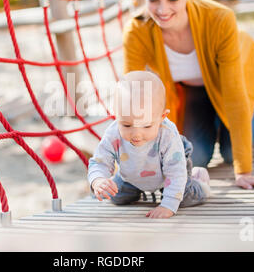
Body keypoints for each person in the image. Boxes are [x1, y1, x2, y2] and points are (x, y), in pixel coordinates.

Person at [123, 0, 254, 190]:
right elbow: (133, 98)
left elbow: (234, 93)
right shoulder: (137, 30)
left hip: (235, 80)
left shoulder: (220, 18)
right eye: (153, 0)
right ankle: (215, 120)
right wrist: (127, 168)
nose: (163, 10)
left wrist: (243, 172)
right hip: (191, 89)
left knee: (230, 154)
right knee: (194, 157)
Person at [88, 71, 211, 218]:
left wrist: (167, 205)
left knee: (183, 197)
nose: (136, 134)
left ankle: (200, 182)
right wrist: (98, 180)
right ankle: (125, 188)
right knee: (117, 197)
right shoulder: (113, 133)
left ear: (162, 117)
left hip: (168, 172)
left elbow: (175, 172)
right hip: (131, 175)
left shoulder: (168, 135)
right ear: (117, 115)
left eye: (146, 126)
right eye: (127, 125)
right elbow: (100, 160)